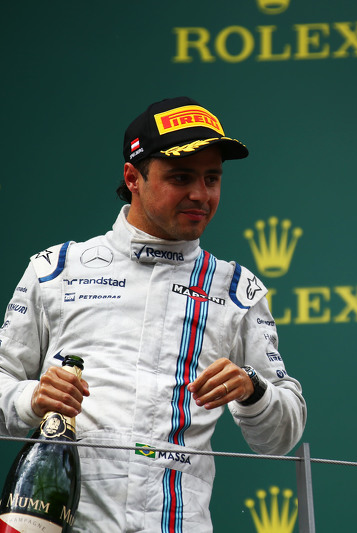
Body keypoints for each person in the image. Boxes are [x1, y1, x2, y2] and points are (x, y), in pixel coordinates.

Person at [0, 97, 307, 531]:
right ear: (133, 177)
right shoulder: (56, 270)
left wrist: (252, 389)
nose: (200, 194)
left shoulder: (238, 289)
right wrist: (30, 399)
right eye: (181, 177)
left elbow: (282, 436)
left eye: (212, 178)